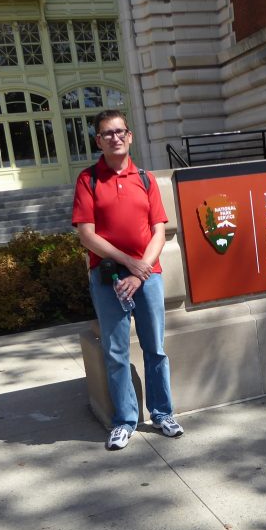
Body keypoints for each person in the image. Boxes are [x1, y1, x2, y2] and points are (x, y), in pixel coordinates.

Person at [72, 110, 184, 451]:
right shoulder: (88, 180)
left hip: (146, 278)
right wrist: (128, 264)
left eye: (120, 131)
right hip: (108, 278)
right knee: (116, 352)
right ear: (98, 140)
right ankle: (124, 421)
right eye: (107, 133)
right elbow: (86, 236)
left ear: (130, 136)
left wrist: (141, 271)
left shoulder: (146, 179)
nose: (115, 137)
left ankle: (162, 413)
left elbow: (159, 232)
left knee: (155, 349)